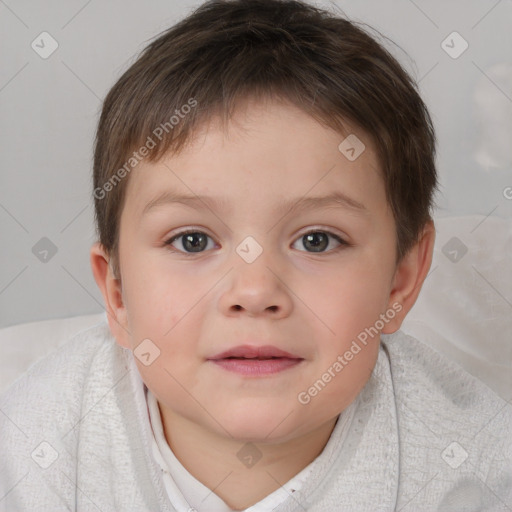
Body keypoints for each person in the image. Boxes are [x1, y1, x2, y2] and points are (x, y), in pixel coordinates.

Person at [1, 1, 511, 510]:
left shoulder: (473, 471)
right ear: (117, 293)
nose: (254, 292)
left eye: (317, 240)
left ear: (401, 281)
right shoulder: (30, 454)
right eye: (192, 241)